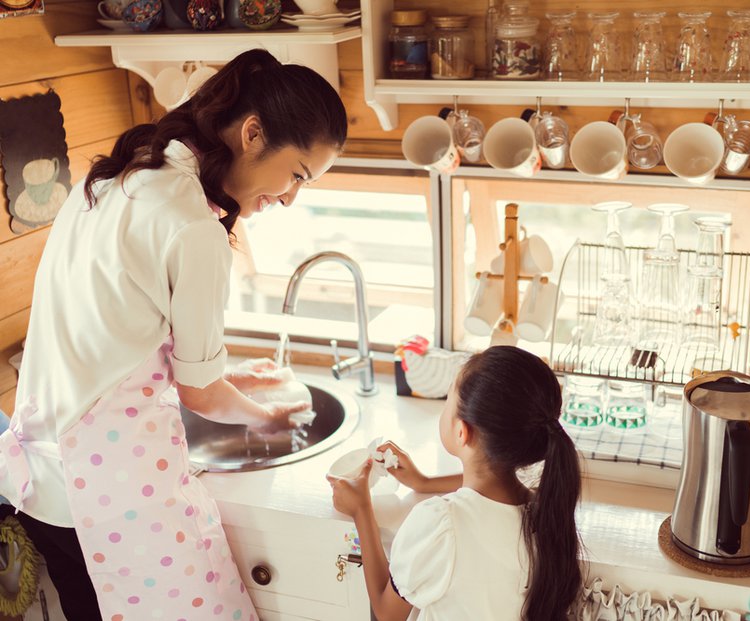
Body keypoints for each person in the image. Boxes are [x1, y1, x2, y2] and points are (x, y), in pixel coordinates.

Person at [0, 48, 347, 620]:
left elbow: (115, 340)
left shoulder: (121, 175)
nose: (290, 197)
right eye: (296, 175)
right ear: (254, 133)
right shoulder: (194, 228)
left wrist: (230, 375)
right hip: (109, 498)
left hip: (43, 482)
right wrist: (274, 417)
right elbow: (200, 395)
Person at [329, 345, 583, 621]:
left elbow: (387, 613)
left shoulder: (441, 523)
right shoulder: (544, 506)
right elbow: (491, 486)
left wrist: (361, 509)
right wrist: (424, 482)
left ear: (462, 432)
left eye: (447, 399)